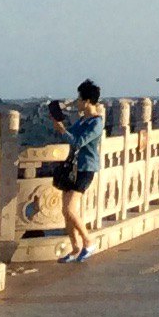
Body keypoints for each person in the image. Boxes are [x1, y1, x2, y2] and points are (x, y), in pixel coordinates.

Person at [48, 82, 104, 263]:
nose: (77, 103)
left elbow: (78, 141)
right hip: (72, 167)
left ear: (88, 101)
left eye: (79, 99)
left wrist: (64, 131)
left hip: (86, 168)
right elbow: (69, 136)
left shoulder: (96, 122)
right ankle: (75, 247)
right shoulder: (82, 120)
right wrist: (59, 126)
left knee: (71, 208)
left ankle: (88, 241)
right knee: (66, 210)